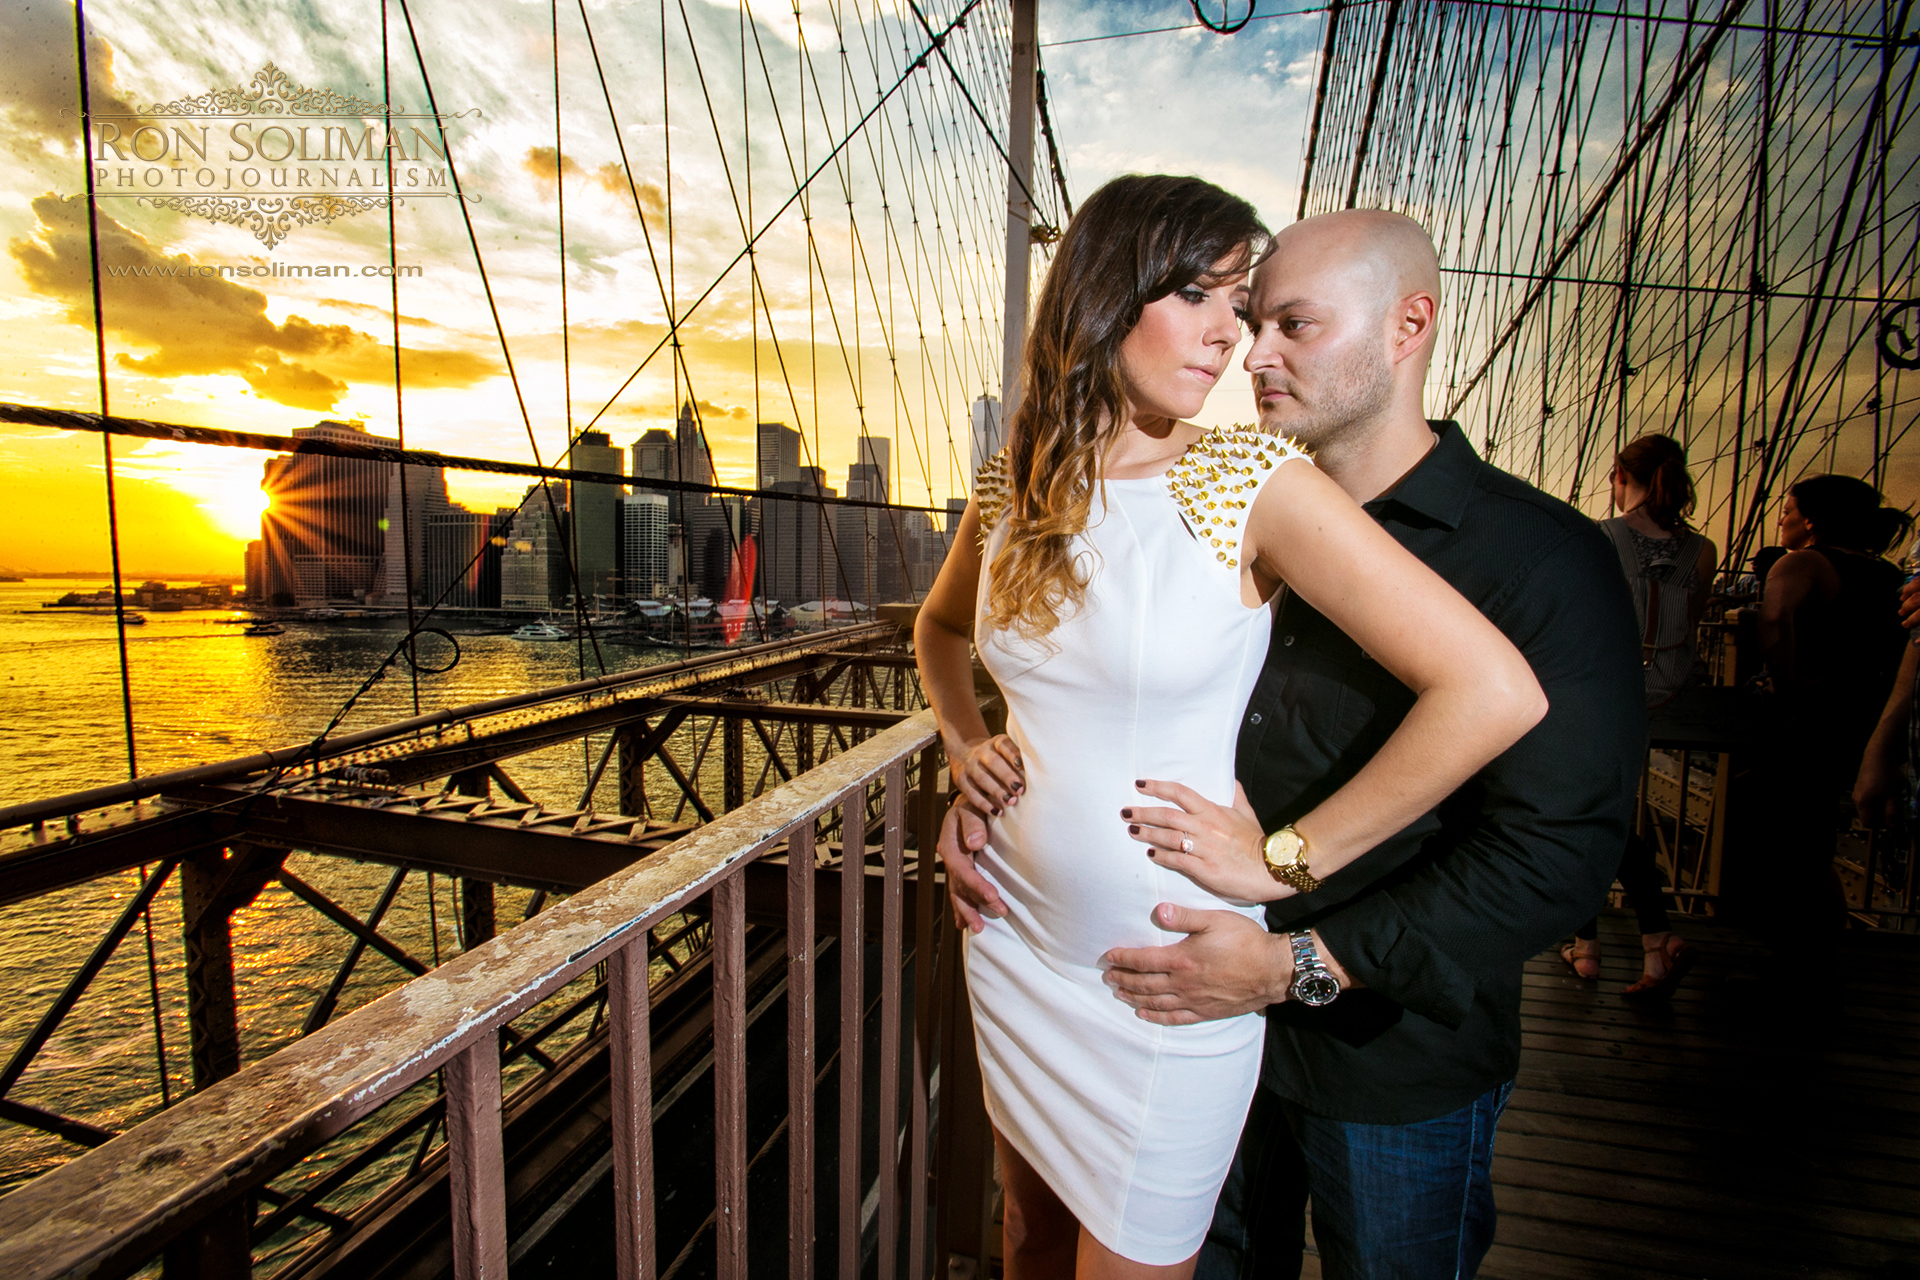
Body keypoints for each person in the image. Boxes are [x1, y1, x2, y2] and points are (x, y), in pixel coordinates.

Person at [935, 208, 1641, 1279]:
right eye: (1242, 316)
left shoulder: (1543, 558)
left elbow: (1551, 857)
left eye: (1288, 324)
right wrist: (983, 770)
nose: (1248, 351)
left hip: (1381, 1051)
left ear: (1410, 326)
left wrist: (1285, 936)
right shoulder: (1221, 493)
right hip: (1150, 977)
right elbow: (1079, 689)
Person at [1559, 434, 1717, 996]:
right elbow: (1693, 620)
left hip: (1605, 690)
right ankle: (1649, 946)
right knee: (1609, 814)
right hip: (1665, 690)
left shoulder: (1606, 536)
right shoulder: (1703, 550)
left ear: (1619, 477)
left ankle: (1597, 943)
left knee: (1587, 816)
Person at [1741, 475, 1910, 934]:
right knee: (1812, 847)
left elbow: (1775, 618)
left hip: (1805, 719)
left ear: (1811, 522)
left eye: (1788, 512)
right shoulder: (1888, 574)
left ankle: (1801, 956)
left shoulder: (1805, 563)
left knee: (1786, 841)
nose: (1782, 520)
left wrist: (1785, 682)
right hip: (1858, 716)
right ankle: (1823, 948)